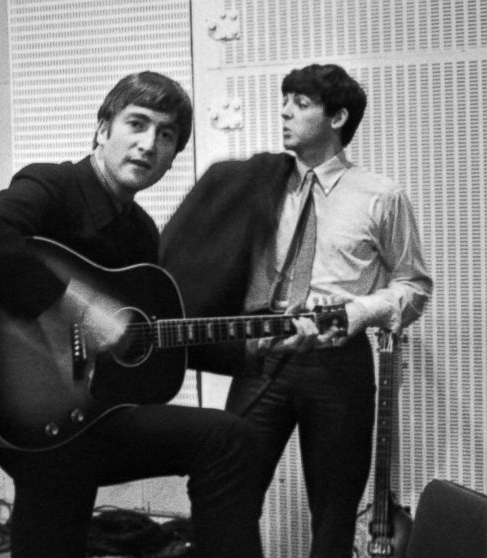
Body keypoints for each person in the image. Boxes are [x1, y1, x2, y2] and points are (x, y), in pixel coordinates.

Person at [0, 71, 263, 558]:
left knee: (229, 439)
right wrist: (84, 310)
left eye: (166, 135)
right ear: (102, 129)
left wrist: (253, 347)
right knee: (58, 475)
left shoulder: (141, 232)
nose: (149, 144)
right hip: (25, 407)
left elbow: (146, 339)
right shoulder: (54, 186)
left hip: (90, 411)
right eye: (137, 123)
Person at [161, 63, 433, 557]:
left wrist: (358, 312)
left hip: (339, 365)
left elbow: (413, 285)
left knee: (333, 511)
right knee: (228, 493)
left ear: (338, 117)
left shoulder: (381, 196)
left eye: (301, 103)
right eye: (284, 100)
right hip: (262, 358)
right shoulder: (259, 183)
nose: (284, 111)